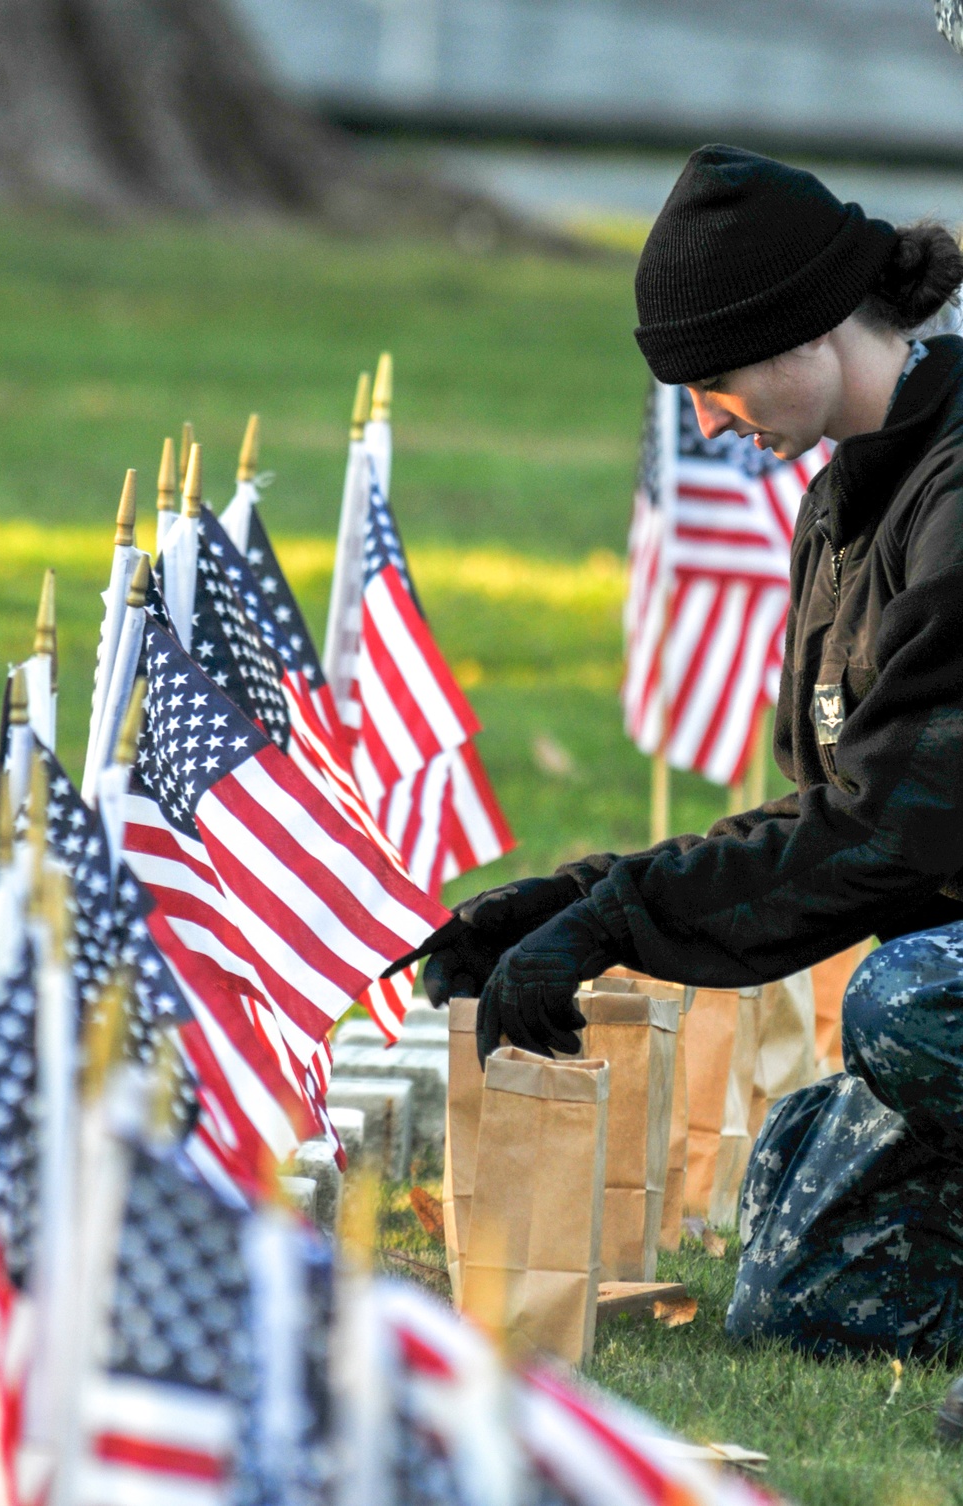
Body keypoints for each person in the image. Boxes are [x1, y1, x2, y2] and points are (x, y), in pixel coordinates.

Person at [391, 145, 963, 1359]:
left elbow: (893, 837)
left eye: (714, 384)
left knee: (905, 1003)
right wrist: (579, 895)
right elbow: (830, 809)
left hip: (934, 982)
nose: (706, 421)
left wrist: (614, 925)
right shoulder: (849, 499)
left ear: (806, 330)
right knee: (803, 1304)